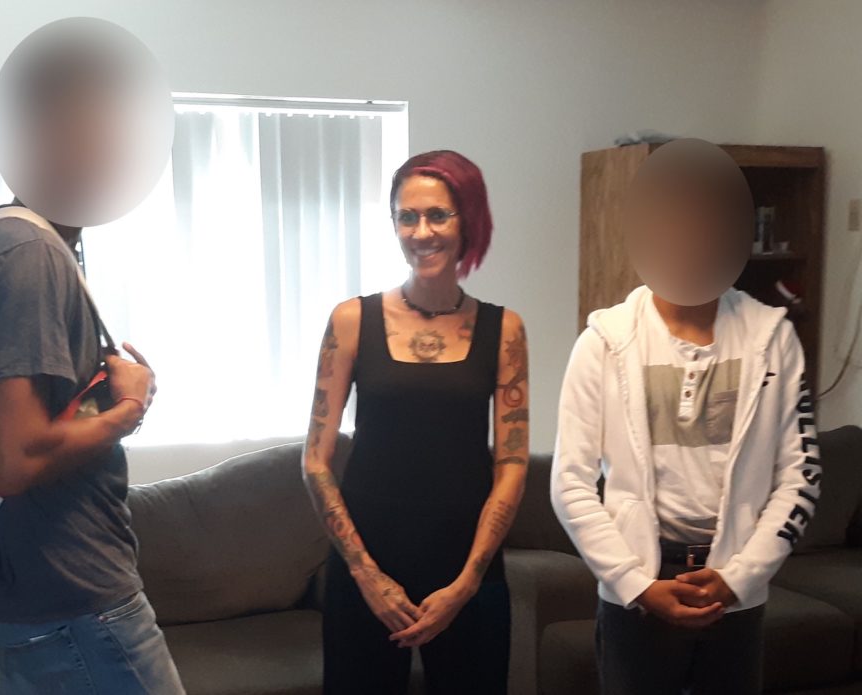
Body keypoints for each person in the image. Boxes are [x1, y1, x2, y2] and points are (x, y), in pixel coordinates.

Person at [0, 20, 184, 693]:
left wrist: (105, 394)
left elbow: (26, 421)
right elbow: (13, 457)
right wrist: (128, 408)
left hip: (36, 599)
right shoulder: (29, 256)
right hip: (75, 601)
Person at [550, 138, 821, 695]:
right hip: (636, 594)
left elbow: (801, 477)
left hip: (734, 594)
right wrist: (635, 583)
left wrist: (738, 577)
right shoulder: (604, 342)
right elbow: (569, 483)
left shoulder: (774, 339)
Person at [302, 150, 528, 694]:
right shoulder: (352, 321)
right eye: (407, 217)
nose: (421, 232)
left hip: (467, 571)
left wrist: (467, 583)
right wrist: (365, 575)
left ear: (468, 221)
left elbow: (512, 464)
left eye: (438, 215)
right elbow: (315, 461)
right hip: (367, 568)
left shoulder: (504, 330)